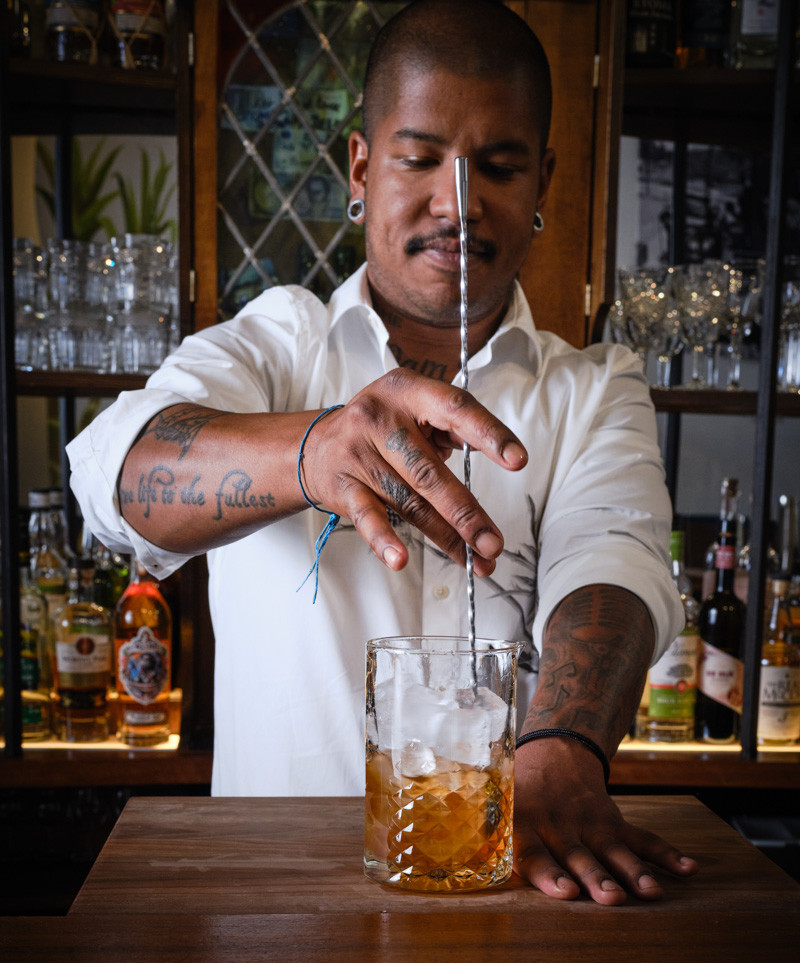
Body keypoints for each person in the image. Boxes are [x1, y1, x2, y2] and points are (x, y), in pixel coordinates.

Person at [68, 0, 697, 905]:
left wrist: (564, 749)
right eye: (419, 158)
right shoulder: (277, 346)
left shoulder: (595, 387)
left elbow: (613, 565)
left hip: (510, 888)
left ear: (544, 184)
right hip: (273, 908)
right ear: (361, 168)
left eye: (500, 167)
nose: (459, 202)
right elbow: (110, 476)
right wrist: (311, 452)